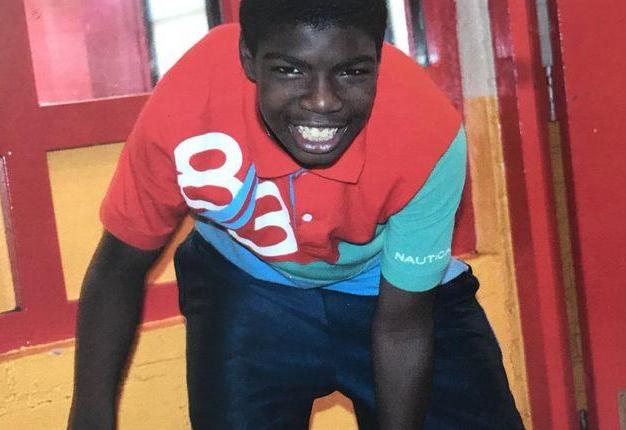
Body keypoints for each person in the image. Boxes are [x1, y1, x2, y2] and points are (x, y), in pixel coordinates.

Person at [68, 0, 524, 429]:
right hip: (246, 285)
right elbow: (120, 266)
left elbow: (403, 326)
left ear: (379, 60)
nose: (322, 101)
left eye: (352, 71)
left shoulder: (427, 133)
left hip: (390, 293)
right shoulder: (190, 101)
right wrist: (90, 418)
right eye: (289, 69)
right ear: (249, 60)